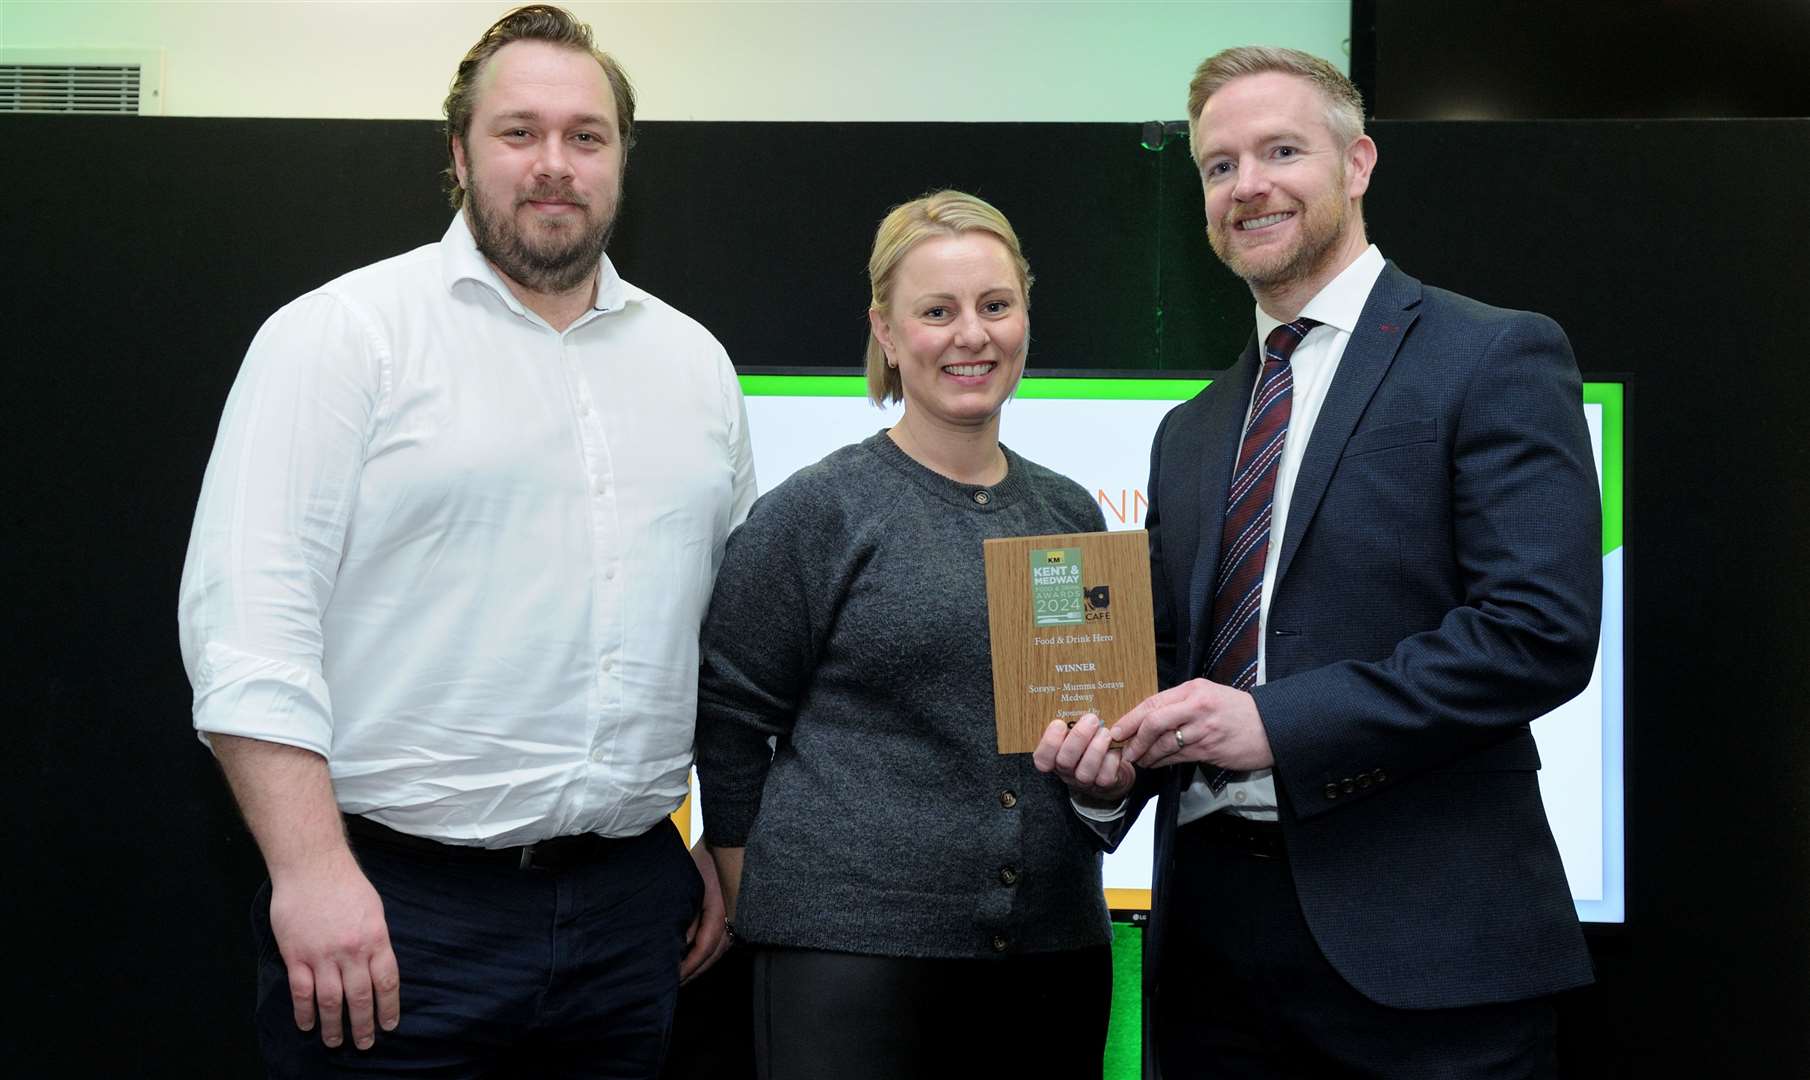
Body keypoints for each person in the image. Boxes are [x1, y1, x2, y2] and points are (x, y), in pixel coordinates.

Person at [177, 5, 754, 1075]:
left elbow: (727, 646)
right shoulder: (339, 338)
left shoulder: (694, 367)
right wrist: (309, 873)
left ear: (623, 159)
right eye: (517, 132)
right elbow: (247, 631)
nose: (554, 165)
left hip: (635, 917)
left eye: (586, 136)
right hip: (390, 915)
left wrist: (718, 845)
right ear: (457, 153)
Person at [1036, 46, 1600, 1079]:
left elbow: (1537, 633)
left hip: (1425, 953)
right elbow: (1167, 664)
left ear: (1357, 164)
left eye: (1280, 150)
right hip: (1208, 954)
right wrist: (1106, 763)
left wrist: (1274, 723)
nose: (1247, 185)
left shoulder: (1491, 356)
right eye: (1217, 165)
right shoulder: (1193, 430)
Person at [696, 190, 1113, 1080]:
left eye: (996, 306)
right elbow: (729, 716)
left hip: (1051, 957)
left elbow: (1083, 722)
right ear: (887, 332)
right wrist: (750, 898)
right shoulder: (820, 510)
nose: (973, 335)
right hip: (846, 964)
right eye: (938, 311)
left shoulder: (1069, 514)